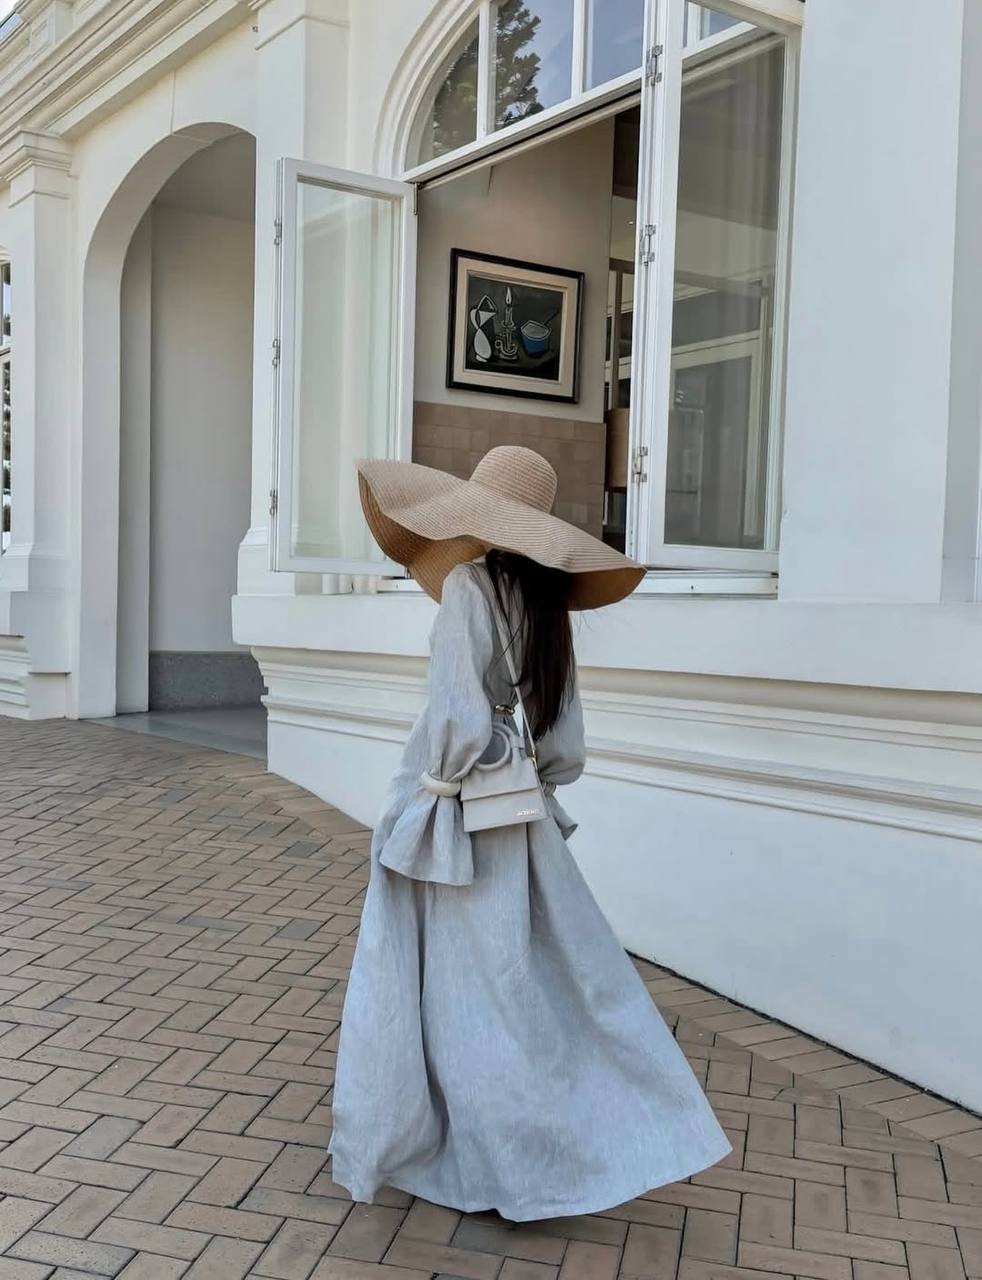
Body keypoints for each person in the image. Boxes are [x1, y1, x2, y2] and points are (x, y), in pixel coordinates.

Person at [329, 445, 729, 1221]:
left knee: (450, 987)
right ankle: (552, 1142)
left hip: (455, 807)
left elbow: (454, 715)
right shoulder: (545, 607)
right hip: (520, 813)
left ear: (478, 512)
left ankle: (467, 1144)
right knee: (521, 985)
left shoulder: (471, 587)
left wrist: (429, 795)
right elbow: (563, 741)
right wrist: (528, 782)